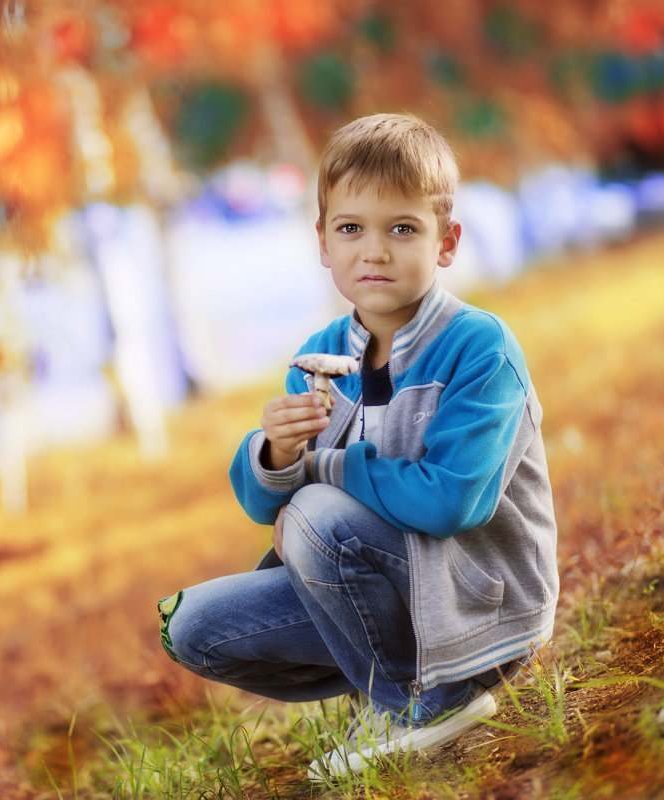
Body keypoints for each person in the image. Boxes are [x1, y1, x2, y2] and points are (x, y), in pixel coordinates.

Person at [156, 113, 559, 780]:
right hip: (386, 592)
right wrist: (278, 455)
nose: (374, 251)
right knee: (192, 625)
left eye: (402, 228)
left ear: (447, 241)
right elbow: (267, 507)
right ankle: (393, 685)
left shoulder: (480, 348)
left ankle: (430, 700)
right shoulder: (319, 356)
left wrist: (321, 469)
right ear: (322, 241)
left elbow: (451, 501)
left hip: (480, 605)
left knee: (316, 514)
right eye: (351, 229)